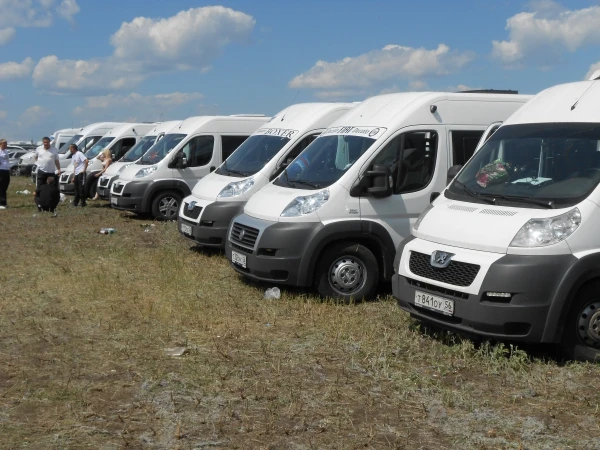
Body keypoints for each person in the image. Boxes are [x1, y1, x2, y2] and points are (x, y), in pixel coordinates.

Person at [0, 139, 10, 209]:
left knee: (5, 186)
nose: (5, 145)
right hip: (1, 170)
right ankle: (1, 203)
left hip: (6, 170)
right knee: (1, 187)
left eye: (6, 144)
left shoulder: (6, 151)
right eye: (4, 144)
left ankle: (4, 202)